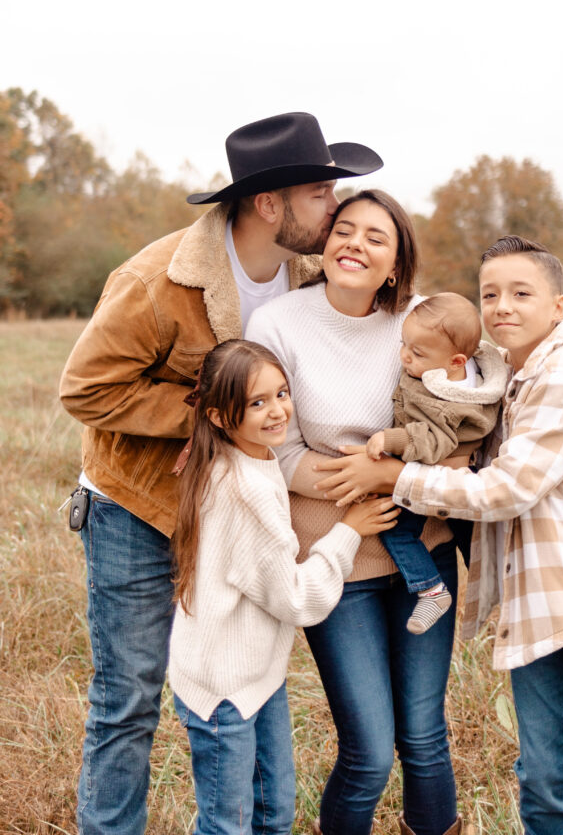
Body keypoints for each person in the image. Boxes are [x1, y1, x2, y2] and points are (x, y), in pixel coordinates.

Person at [58, 111, 383, 835]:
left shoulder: (306, 274)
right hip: (138, 512)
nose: (333, 209)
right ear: (270, 205)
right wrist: (204, 415)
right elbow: (83, 389)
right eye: (319, 195)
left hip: (236, 517)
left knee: (251, 679)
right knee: (130, 699)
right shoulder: (158, 281)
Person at [319, 235, 563, 835]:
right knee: (540, 783)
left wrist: (396, 475)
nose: (502, 307)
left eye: (521, 293)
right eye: (490, 294)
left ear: (558, 307)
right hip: (537, 609)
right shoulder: (499, 379)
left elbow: (505, 490)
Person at [246, 190, 465, 835]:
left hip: (423, 549)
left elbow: (462, 434)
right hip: (333, 557)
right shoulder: (280, 323)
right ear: (325, 241)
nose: (355, 244)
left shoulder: (421, 323)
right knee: (369, 752)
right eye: (344, 229)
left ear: (396, 264)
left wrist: (389, 476)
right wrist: (361, 487)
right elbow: (275, 448)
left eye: (376, 237)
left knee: (424, 737)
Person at [168, 338, 399, 835]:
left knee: (274, 814)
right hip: (222, 689)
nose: (277, 411)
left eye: (281, 393)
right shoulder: (244, 490)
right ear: (217, 415)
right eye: (257, 403)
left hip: (254, 676)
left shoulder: (246, 456)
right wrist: (349, 532)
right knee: (227, 825)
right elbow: (297, 599)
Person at [366, 292, 507, 635]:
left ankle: (431, 590)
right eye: (404, 345)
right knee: (472, 541)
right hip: (456, 476)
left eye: (417, 353)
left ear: (457, 361)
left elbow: (435, 440)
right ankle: (502, 596)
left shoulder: (446, 399)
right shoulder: (467, 369)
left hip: (439, 475)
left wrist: (392, 439)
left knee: (398, 532)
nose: (404, 357)